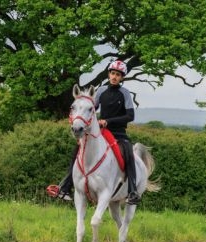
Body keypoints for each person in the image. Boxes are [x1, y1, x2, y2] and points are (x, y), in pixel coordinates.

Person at [46, 60, 140, 205]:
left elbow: (130, 116)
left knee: (128, 152)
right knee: (77, 149)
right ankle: (65, 187)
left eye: (118, 75)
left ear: (122, 78)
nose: (114, 77)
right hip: (100, 132)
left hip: (119, 133)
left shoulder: (124, 93)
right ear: (109, 74)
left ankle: (132, 191)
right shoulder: (101, 91)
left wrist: (108, 121)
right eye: (113, 73)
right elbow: (90, 108)